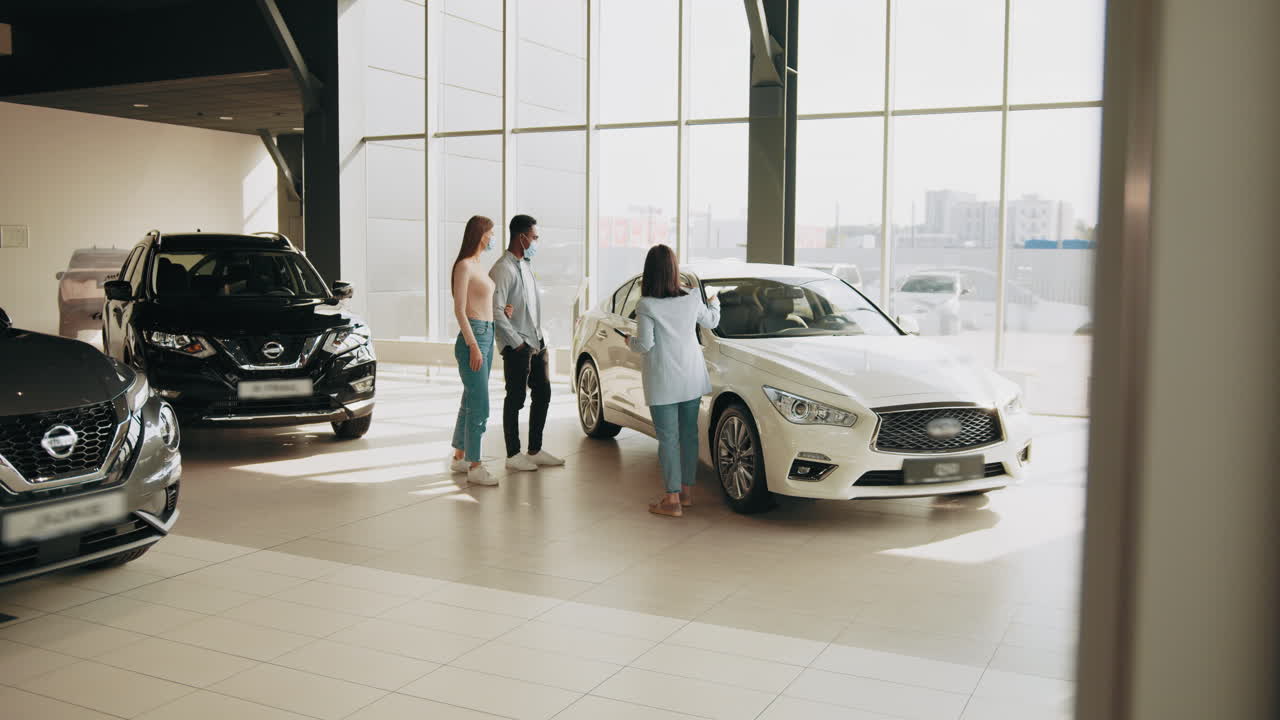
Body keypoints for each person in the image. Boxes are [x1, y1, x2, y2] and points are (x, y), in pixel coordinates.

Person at [626, 244, 720, 517]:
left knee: (668, 439)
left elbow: (644, 345)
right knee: (689, 437)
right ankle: (687, 494)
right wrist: (715, 302)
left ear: (649, 272)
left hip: (663, 380)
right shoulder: (691, 298)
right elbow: (712, 321)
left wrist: (627, 340)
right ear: (674, 269)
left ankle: (672, 500)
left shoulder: (646, 304)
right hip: (691, 377)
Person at [490, 214, 565, 472]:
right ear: (521, 237)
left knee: (543, 393)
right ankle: (513, 454)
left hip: (536, 341)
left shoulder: (526, 265)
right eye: (534, 237)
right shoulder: (502, 269)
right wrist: (517, 343)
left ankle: (534, 449)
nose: (536, 242)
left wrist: (539, 339)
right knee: (516, 397)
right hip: (518, 346)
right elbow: (496, 311)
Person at [448, 215, 499, 487]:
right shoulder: (464, 266)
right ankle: (475, 466)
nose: (492, 238)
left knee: (470, 398)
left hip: (488, 333)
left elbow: (483, 301)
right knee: (480, 403)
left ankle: (459, 457)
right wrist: (473, 345)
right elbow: (459, 309)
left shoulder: (479, 265)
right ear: (480, 234)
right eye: (490, 233)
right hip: (474, 337)